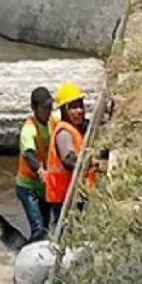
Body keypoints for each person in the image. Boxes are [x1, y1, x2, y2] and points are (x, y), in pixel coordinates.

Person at [44, 83, 97, 218]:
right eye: (73, 107)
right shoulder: (64, 133)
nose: (78, 111)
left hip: (73, 194)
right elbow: (69, 160)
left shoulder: (76, 129)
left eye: (80, 106)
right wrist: (92, 162)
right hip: (63, 198)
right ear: (63, 110)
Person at [15, 87, 55, 242]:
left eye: (50, 107)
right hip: (28, 187)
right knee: (38, 227)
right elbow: (29, 154)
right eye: (44, 108)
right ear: (34, 108)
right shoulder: (28, 129)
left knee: (46, 226)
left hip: (43, 185)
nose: (48, 111)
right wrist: (40, 170)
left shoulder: (52, 121)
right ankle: (31, 255)